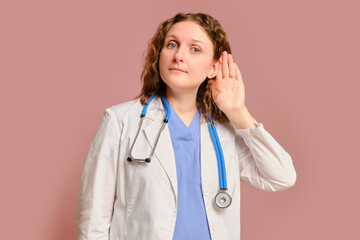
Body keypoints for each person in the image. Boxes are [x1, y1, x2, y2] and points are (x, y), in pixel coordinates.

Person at [76, 12, 297, 240]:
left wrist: (238, 112)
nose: (179, 56)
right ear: (159, 54)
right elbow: (93, 220)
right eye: (172, 44)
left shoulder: (223, 129)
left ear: (214, 68)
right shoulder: (120, 120)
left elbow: (282, 176)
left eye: (195, 49)